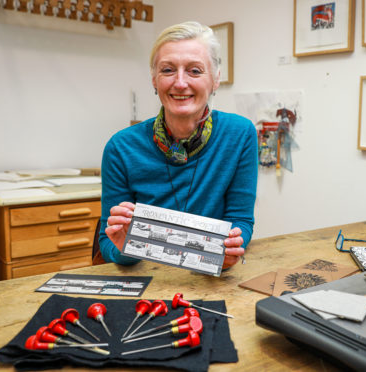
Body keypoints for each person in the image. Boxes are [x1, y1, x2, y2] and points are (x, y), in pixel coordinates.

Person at [99, 21, 258, 269]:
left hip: (209, 279)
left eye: (195, 71)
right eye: (168, 70)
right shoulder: (121, 148)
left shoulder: (240, 134)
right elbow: (107, 244)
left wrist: (228, 250)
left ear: (215, 80)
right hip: (148, 280)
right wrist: (127, 247)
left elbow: (240, 220)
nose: (180, 83)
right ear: (154, 79)